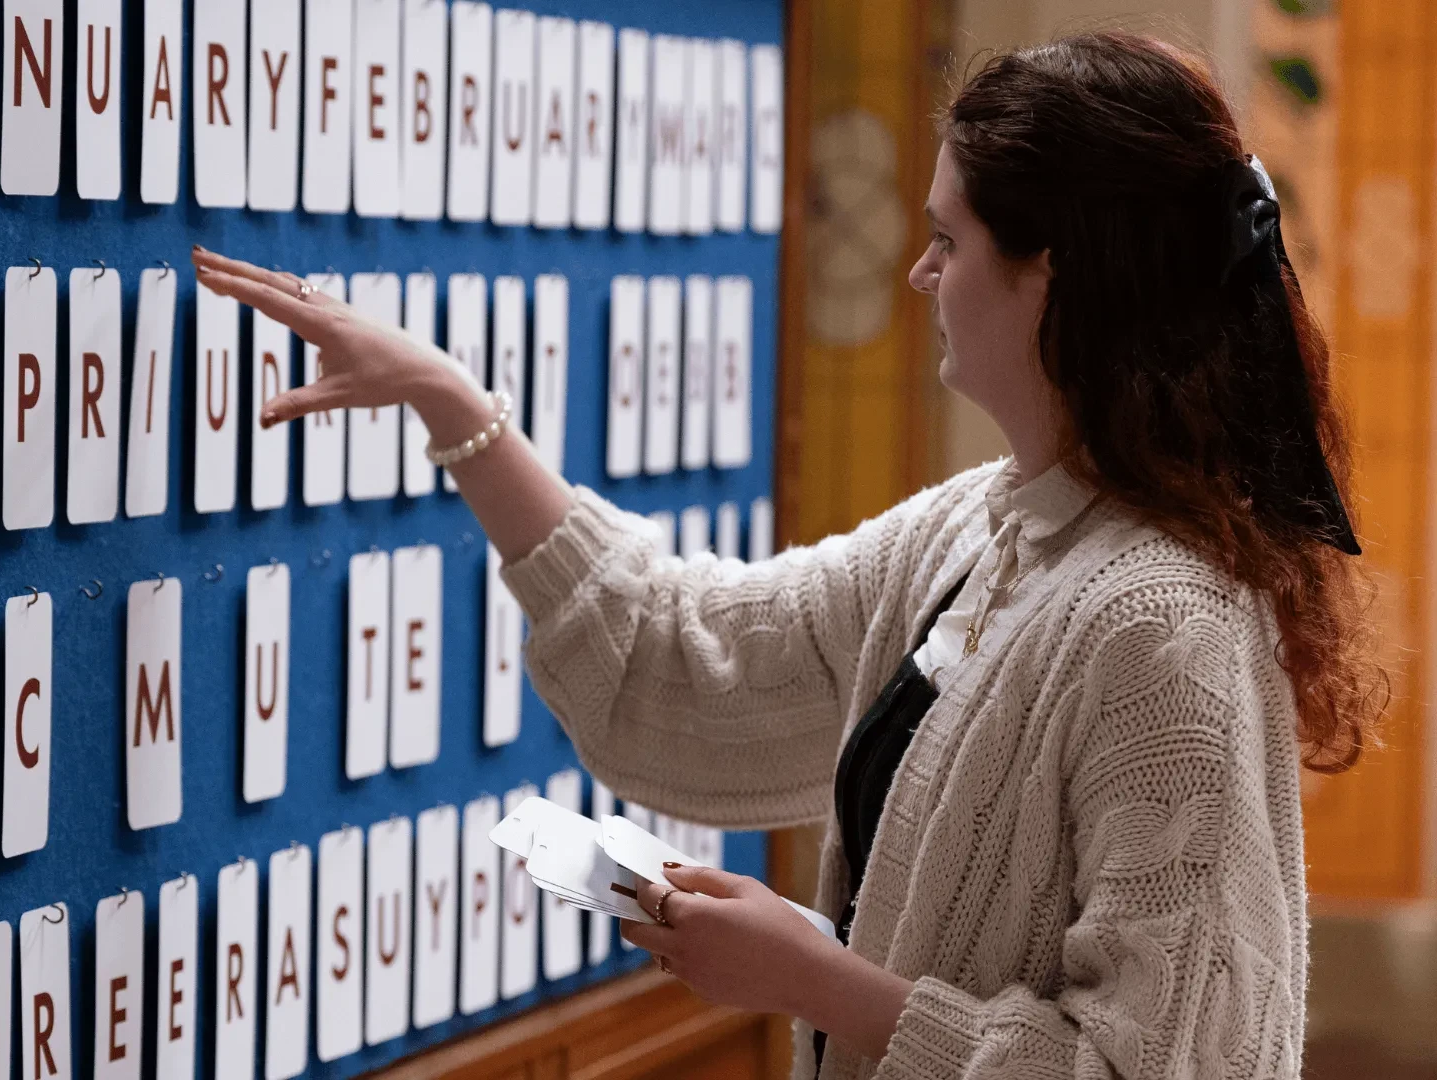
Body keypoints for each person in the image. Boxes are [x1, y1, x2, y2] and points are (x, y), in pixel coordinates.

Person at [190, 30, 1385, 1078]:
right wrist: (456, 408)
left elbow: (1153, 1069)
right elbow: (687, 663)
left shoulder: (1161, 628)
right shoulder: (976, 531)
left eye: (947, 238)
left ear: (1050, 275)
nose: (920, 272)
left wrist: (818, 981)